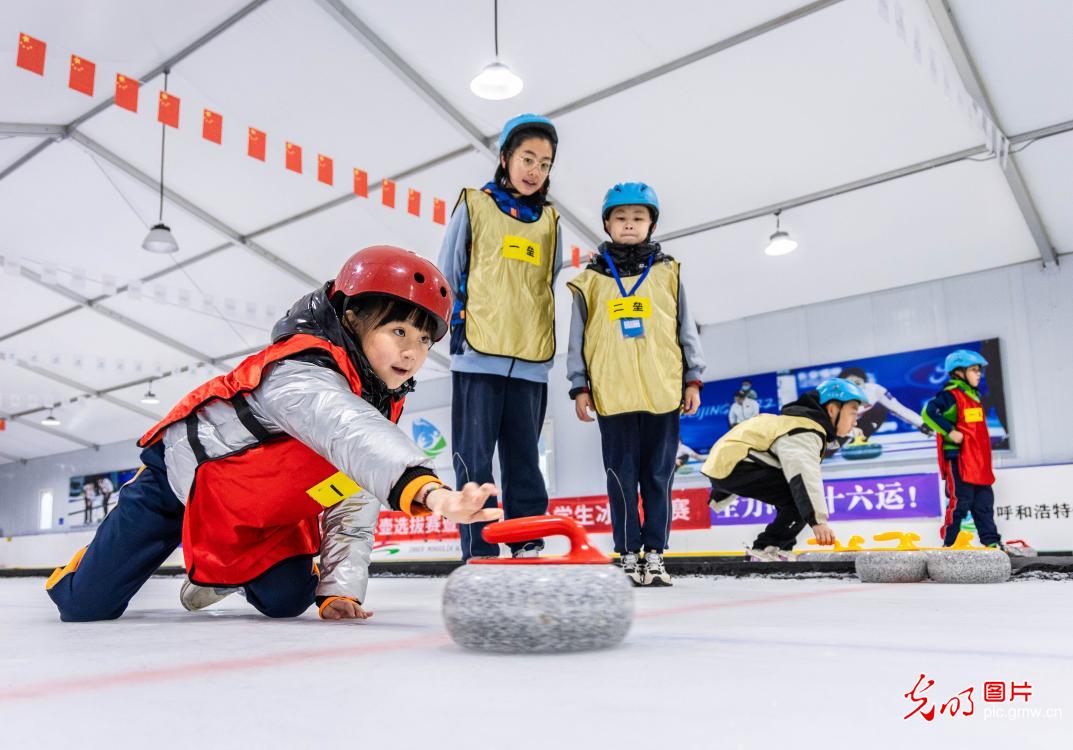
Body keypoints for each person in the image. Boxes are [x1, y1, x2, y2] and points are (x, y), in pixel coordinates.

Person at [45, 246, 502, 622]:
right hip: (179, 485)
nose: (412, 351)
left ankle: (221, 576)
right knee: (85, 607)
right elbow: (346, 427)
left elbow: (353, 503)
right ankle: (89, 566)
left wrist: (340, 591)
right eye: (398, 330)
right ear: (351, 319)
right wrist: (432, 494)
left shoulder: (380, 406)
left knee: (288, 601)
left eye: (424, 340)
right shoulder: (299, 370)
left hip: (259, 518)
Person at [438, 114, 563, 561]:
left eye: (545, 164)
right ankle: (480, 549)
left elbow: (547, 282)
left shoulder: (550, 220)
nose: (535, 171)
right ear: (506, 158)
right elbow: (446, 276)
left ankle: (527, 539)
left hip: (530, 359)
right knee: (474, 460)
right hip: (478, 355)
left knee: (526, 459)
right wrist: (452, 334)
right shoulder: (473, 206)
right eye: (527, 158)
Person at [567, 182, 705, 586]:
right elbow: (577, 338)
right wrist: (580, 385)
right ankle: (627, 554)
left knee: (659, 476)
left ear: (651, 224)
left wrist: (692, 379)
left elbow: (686, 329)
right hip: (613, 394)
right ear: (608, 224)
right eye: (621, 218)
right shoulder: (589, 280)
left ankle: (656, 555)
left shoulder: (668, 272)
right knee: (620, 477)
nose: (629, 225)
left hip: (663, 391)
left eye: (638, 218)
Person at [703, 378, 868, 562]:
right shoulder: (804, 430)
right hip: (738, 465)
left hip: (730, 463)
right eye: (853, 413)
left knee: (793, 497)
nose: (855, 421)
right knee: (799, 497)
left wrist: (720, 493)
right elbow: (804, 477)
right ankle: (766, 548)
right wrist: (818, 521)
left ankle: (780, 548)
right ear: (831, 409)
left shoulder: (794, 422)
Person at [921, 349, 1023, 554]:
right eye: (974, 370)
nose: (979, 374)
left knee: (984, 505)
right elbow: (927, 412)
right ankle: (949, 546)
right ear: (959, 372)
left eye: (979, 371)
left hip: (978, 464)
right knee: (959, 504)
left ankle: (991, 544)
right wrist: (950, 431)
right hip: (958, 460)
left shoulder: (974, 397)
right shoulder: (950, 395)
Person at [838, 366, 932, 442]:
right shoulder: (834, 397)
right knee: (827, 452)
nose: (855, 388)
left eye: (858, 383)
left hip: (860, 426)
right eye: (850, 385)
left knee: (879, 409)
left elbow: (898, 409)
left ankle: (859, 440)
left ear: (865, 382)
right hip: (840, 428)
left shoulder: (875, 390)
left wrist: (922, 424)